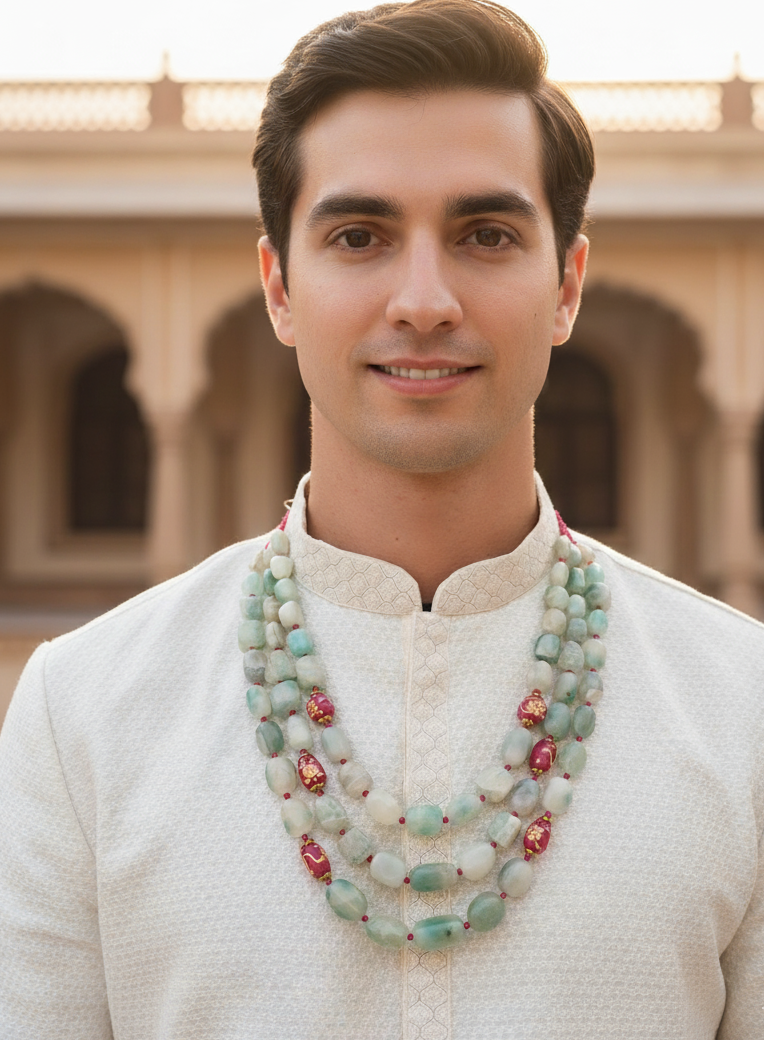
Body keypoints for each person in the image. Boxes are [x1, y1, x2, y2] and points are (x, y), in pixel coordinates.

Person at [1, 2, 762, 1037]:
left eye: (484, 234)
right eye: (357, 235)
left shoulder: (738, 713)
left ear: (565, 286)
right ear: (278, 286)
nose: (422, 298)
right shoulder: (87, 718)